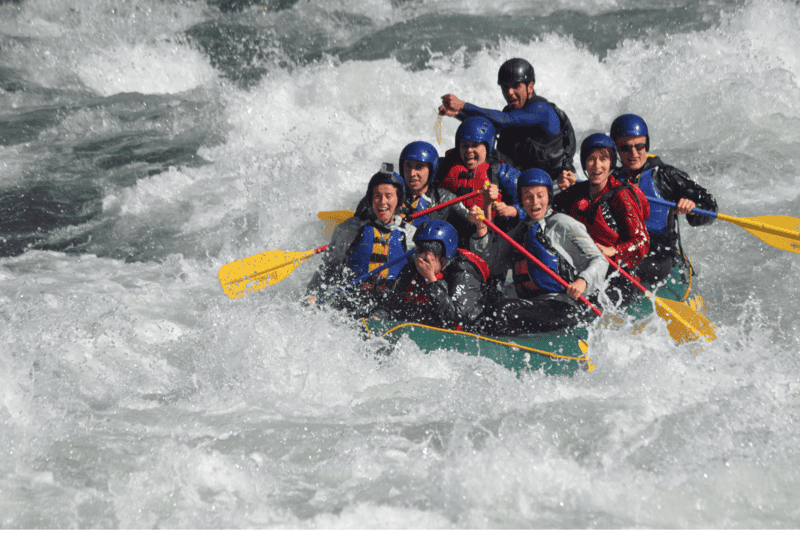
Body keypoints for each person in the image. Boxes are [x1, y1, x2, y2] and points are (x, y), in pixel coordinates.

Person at [468, 168, 608, 335]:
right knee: (487, 301)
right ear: (521, 199)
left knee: (501, 311)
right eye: (528, 197)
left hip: (564, 306)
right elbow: (490, 264)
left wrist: (583, 281)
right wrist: (481, 227)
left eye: (540, 196)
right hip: (532, 305)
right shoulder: (520, 229)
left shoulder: (562, 223)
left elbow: (599, 260)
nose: (535, 203)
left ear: (549, 196)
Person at [610, 114, 717, 286]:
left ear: (647, 145)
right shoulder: (610, 180)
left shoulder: (666, 176)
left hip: (659, 255)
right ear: (616, 149)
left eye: (640, 146)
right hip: (625, 251)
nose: (634, 154)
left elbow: (710, 206)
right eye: (625, 148)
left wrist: (694, 207)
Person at [438, 57, 577, 185]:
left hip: (554, 183)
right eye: (505, 87)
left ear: (530, 86)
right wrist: (457, 114)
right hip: (522, 181)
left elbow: (505, 121)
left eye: (516, 86)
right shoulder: (512, 112)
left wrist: (463, 106)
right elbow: (492, 127)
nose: (509, 92)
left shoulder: (542, 110)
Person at [307, 164, 416, 314]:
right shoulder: (351, 230)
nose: (382, 202)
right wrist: (313, 294)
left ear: (398, 199)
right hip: (351, 302)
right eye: (377, 196)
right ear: (370, 199)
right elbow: (329, 267)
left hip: (388, 307)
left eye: (389, 196)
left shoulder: (410, 235)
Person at [553, 133, 650, 287]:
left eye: (603, 159)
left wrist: (614, 251)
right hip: (582, 271)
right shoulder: (575, 192)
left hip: (616, 277)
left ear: (611, 163)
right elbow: (546, 210)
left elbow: (642, 242)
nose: (597, 165)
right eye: (591, 159)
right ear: (584, 163)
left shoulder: (622, 196)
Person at [377, 220, 489, 329]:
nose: (420, 262)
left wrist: (431, 279)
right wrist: (377, 317)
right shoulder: (412, 267)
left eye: (427, 259)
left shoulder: (464, 273)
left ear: (444, 258)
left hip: (459, 334)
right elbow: (391, 304)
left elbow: (456, 315)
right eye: (418, 252)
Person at [436, 116, 522, 247]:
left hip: (490, 237)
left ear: (488, 147)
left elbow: (530, 203)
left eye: (475, 145)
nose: (469, 150)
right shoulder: (445, 166)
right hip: (452, 234)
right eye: (465, 145)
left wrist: (513, 211)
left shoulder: (503, 172)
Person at [354, 141, 470, 229]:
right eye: (408, 166)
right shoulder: (385, 192)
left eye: (419, 167)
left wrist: (478, 220)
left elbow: (472, 227)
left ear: (431, 170)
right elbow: (356, 223)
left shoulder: (445, 198)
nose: (412, 173)